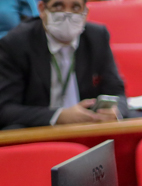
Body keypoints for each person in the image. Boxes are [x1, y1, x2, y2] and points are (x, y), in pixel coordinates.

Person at [0, 0, 127, 129]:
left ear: (85, 13)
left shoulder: (97, 36)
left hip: (89, 125)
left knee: (131, 120)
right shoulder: (16, 42)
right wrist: (59, 116)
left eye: (75, 7)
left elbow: (117, 92)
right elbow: (5, 108)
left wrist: (114, 111)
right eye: (58, 6)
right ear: (42, 9)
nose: (67, 14)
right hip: (39, 127)